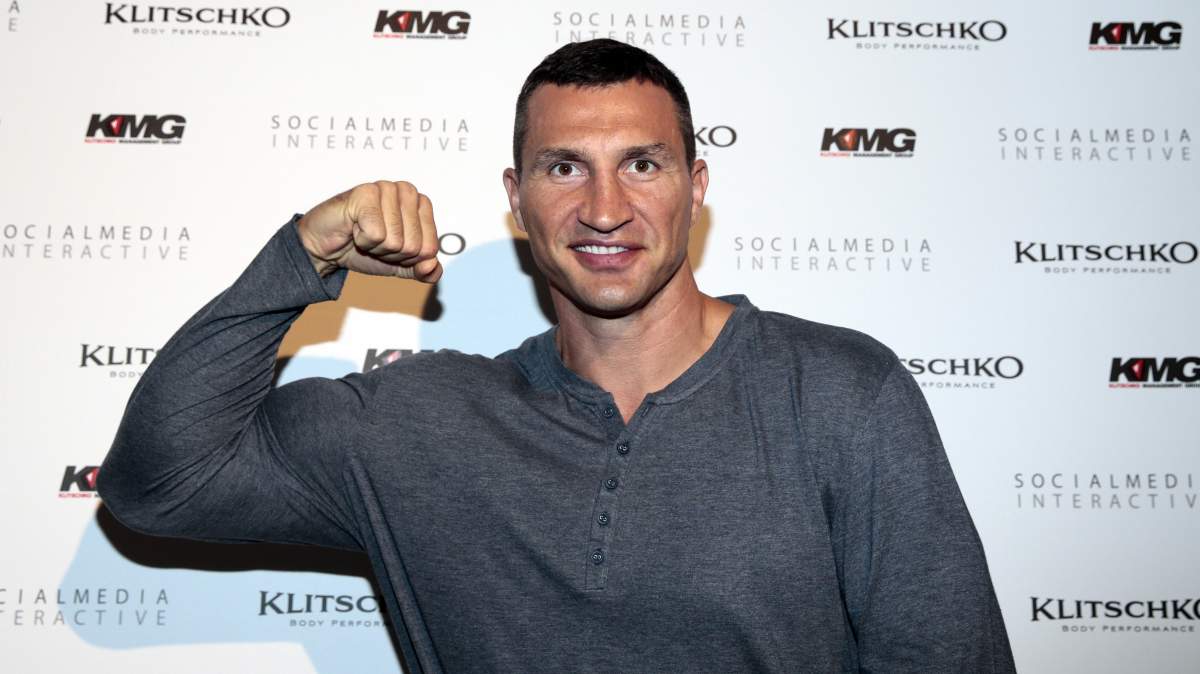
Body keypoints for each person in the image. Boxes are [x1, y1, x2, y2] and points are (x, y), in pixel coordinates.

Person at [99, 39, 1016, 673]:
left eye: (643, 164)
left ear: (696, 186)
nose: (605, 208)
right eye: (564, 166)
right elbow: (160, 483)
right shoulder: (420, 423)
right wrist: (301, 257)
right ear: (517, 196)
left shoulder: (840, 391)